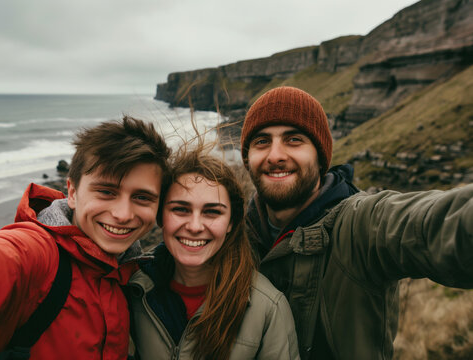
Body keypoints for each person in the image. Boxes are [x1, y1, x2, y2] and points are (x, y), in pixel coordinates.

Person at [240, 86, 473, 360]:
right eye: (262, 141)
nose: (275, 155)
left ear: (320, 156)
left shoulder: (361, 224)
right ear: (247, 158)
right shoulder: (233, 239)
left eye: (294, 140)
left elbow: (436, 223)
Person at [0, 116, 171, 360]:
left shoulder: (129, 273)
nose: (122, 215)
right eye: (106, 192)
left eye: (142, 197)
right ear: (72, 193)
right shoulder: (37, 254)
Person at [126, 146, 300, 360]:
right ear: (161, 217)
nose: (195, 226)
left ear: (231, 223)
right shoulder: (134, 290)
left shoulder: (267, 309)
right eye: (181, 209)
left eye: (212, 212)